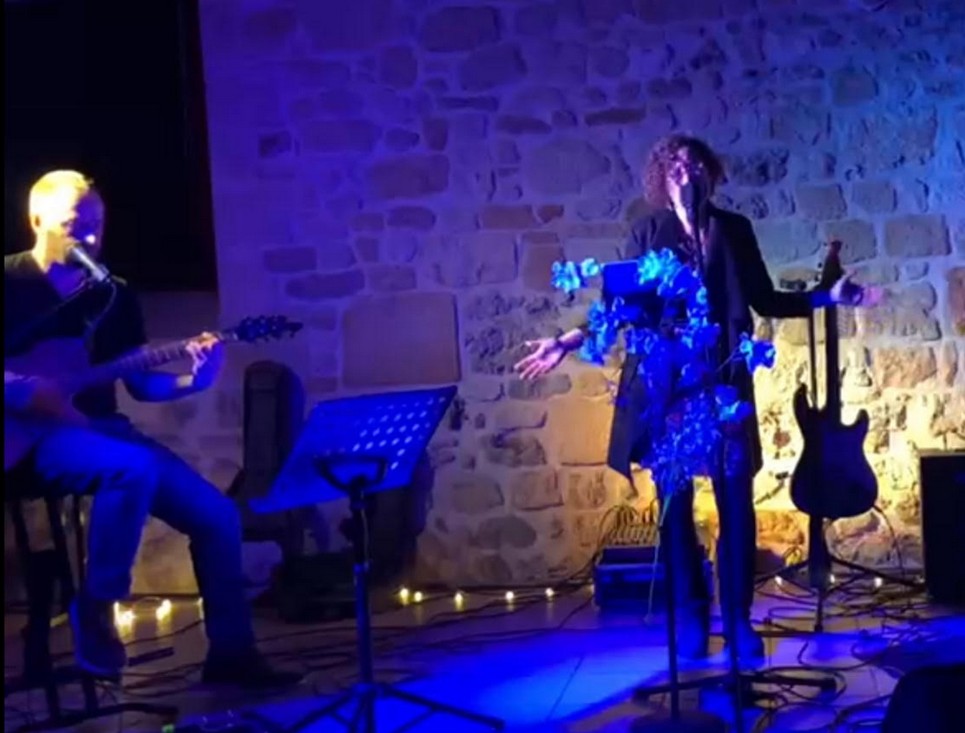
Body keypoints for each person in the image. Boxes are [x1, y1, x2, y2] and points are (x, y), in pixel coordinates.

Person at [514, 135, 880, 661]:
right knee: (676, 508)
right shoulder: (647, 233)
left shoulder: (733, 229)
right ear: (663, 181)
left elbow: (766, 299)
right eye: (676, 168)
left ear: (709, 173)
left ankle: (738, 620)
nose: (687, 174)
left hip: (724, 382)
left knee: (736, 501)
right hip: (669, 389)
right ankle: (690, 617)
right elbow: (619, 309)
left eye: (694, 165)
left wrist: (828, 296)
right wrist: (568, 341)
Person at [3, 170, 301, 688]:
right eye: (75, 224)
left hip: (101, 428)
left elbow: (141, 384)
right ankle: (98, 605)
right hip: (33, 435)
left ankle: (231, 655)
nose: (89, 236)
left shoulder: (113, 294)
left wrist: (194, 379)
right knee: (132, 467)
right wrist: (24, 390)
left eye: (97, 225)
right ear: (36, 220)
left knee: (217, 516)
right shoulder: (9, 280)